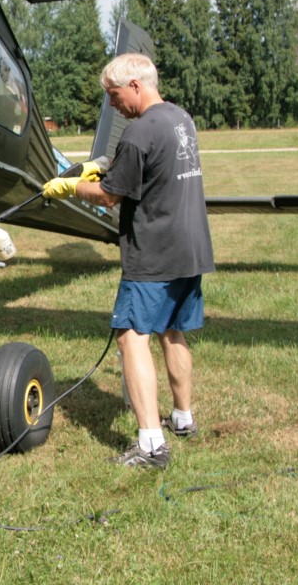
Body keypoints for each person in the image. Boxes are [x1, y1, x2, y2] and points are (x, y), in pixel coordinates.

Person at [42, 53, 214, 469]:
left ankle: (152, 445)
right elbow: (145, 170)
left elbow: (108, 195)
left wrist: (68, 187)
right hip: (190, 247)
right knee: (172, 331)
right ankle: (183, 418)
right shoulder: (180, 119)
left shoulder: (138, 134)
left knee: (130, 336)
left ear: (135, 86)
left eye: (114, 95)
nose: (112, 104)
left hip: (154, 251)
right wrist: (105, 165)